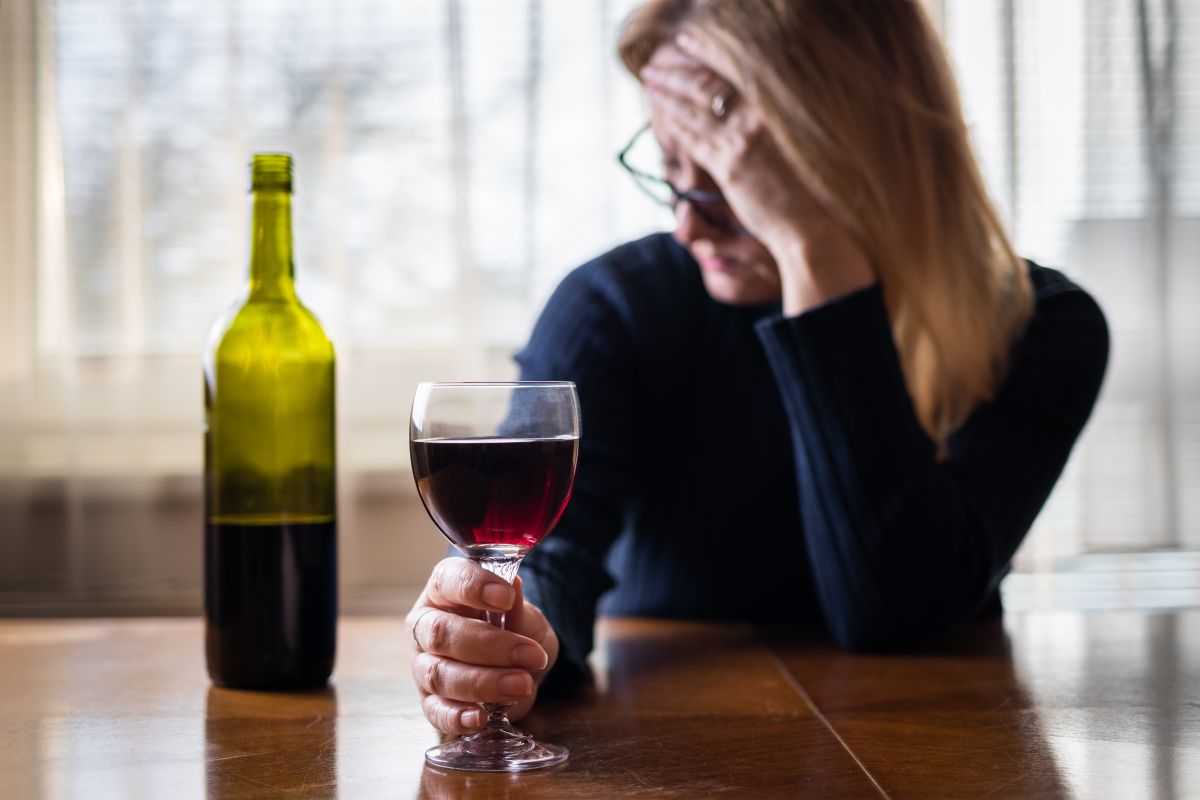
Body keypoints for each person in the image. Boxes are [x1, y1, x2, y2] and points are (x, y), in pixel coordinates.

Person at [406, 0, 1109, 736]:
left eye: (724, 179)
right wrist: (504, 640)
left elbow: (891, 610)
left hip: (932, 743)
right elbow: (552, 557)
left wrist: (816, 255)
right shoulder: (614, 307)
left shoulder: (1042, 330)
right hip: (678, 746)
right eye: (672, 171)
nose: (688, 222)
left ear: (857, 148)